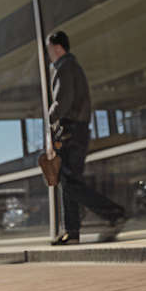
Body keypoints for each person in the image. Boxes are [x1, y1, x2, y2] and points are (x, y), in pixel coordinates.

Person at [46, 31, 126, 244]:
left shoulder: (65, 67)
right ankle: (71, 233)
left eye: (49, 49)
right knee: (67, 181)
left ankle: (114, 213)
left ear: (57, 47)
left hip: (72, 131)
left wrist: (50, 114)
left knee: (70, 182)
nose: (48, 54)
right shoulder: (71, 67)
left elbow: (63, 101)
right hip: (76, 131)